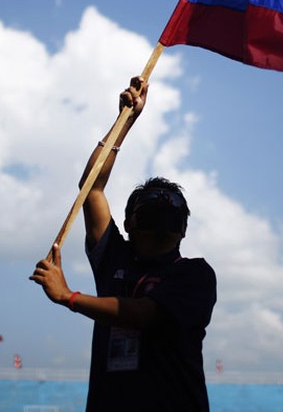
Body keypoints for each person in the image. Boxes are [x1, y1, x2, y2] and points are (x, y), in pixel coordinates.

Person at [31, 76, 217, 411]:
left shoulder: (194, 275)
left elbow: (143, 313)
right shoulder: (114, 257)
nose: (161, 219)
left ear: (184, 230)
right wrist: (124, 121)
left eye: (170, 213)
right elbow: (93, 187)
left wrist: (69, 297)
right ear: (129, 222)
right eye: (151, 211)